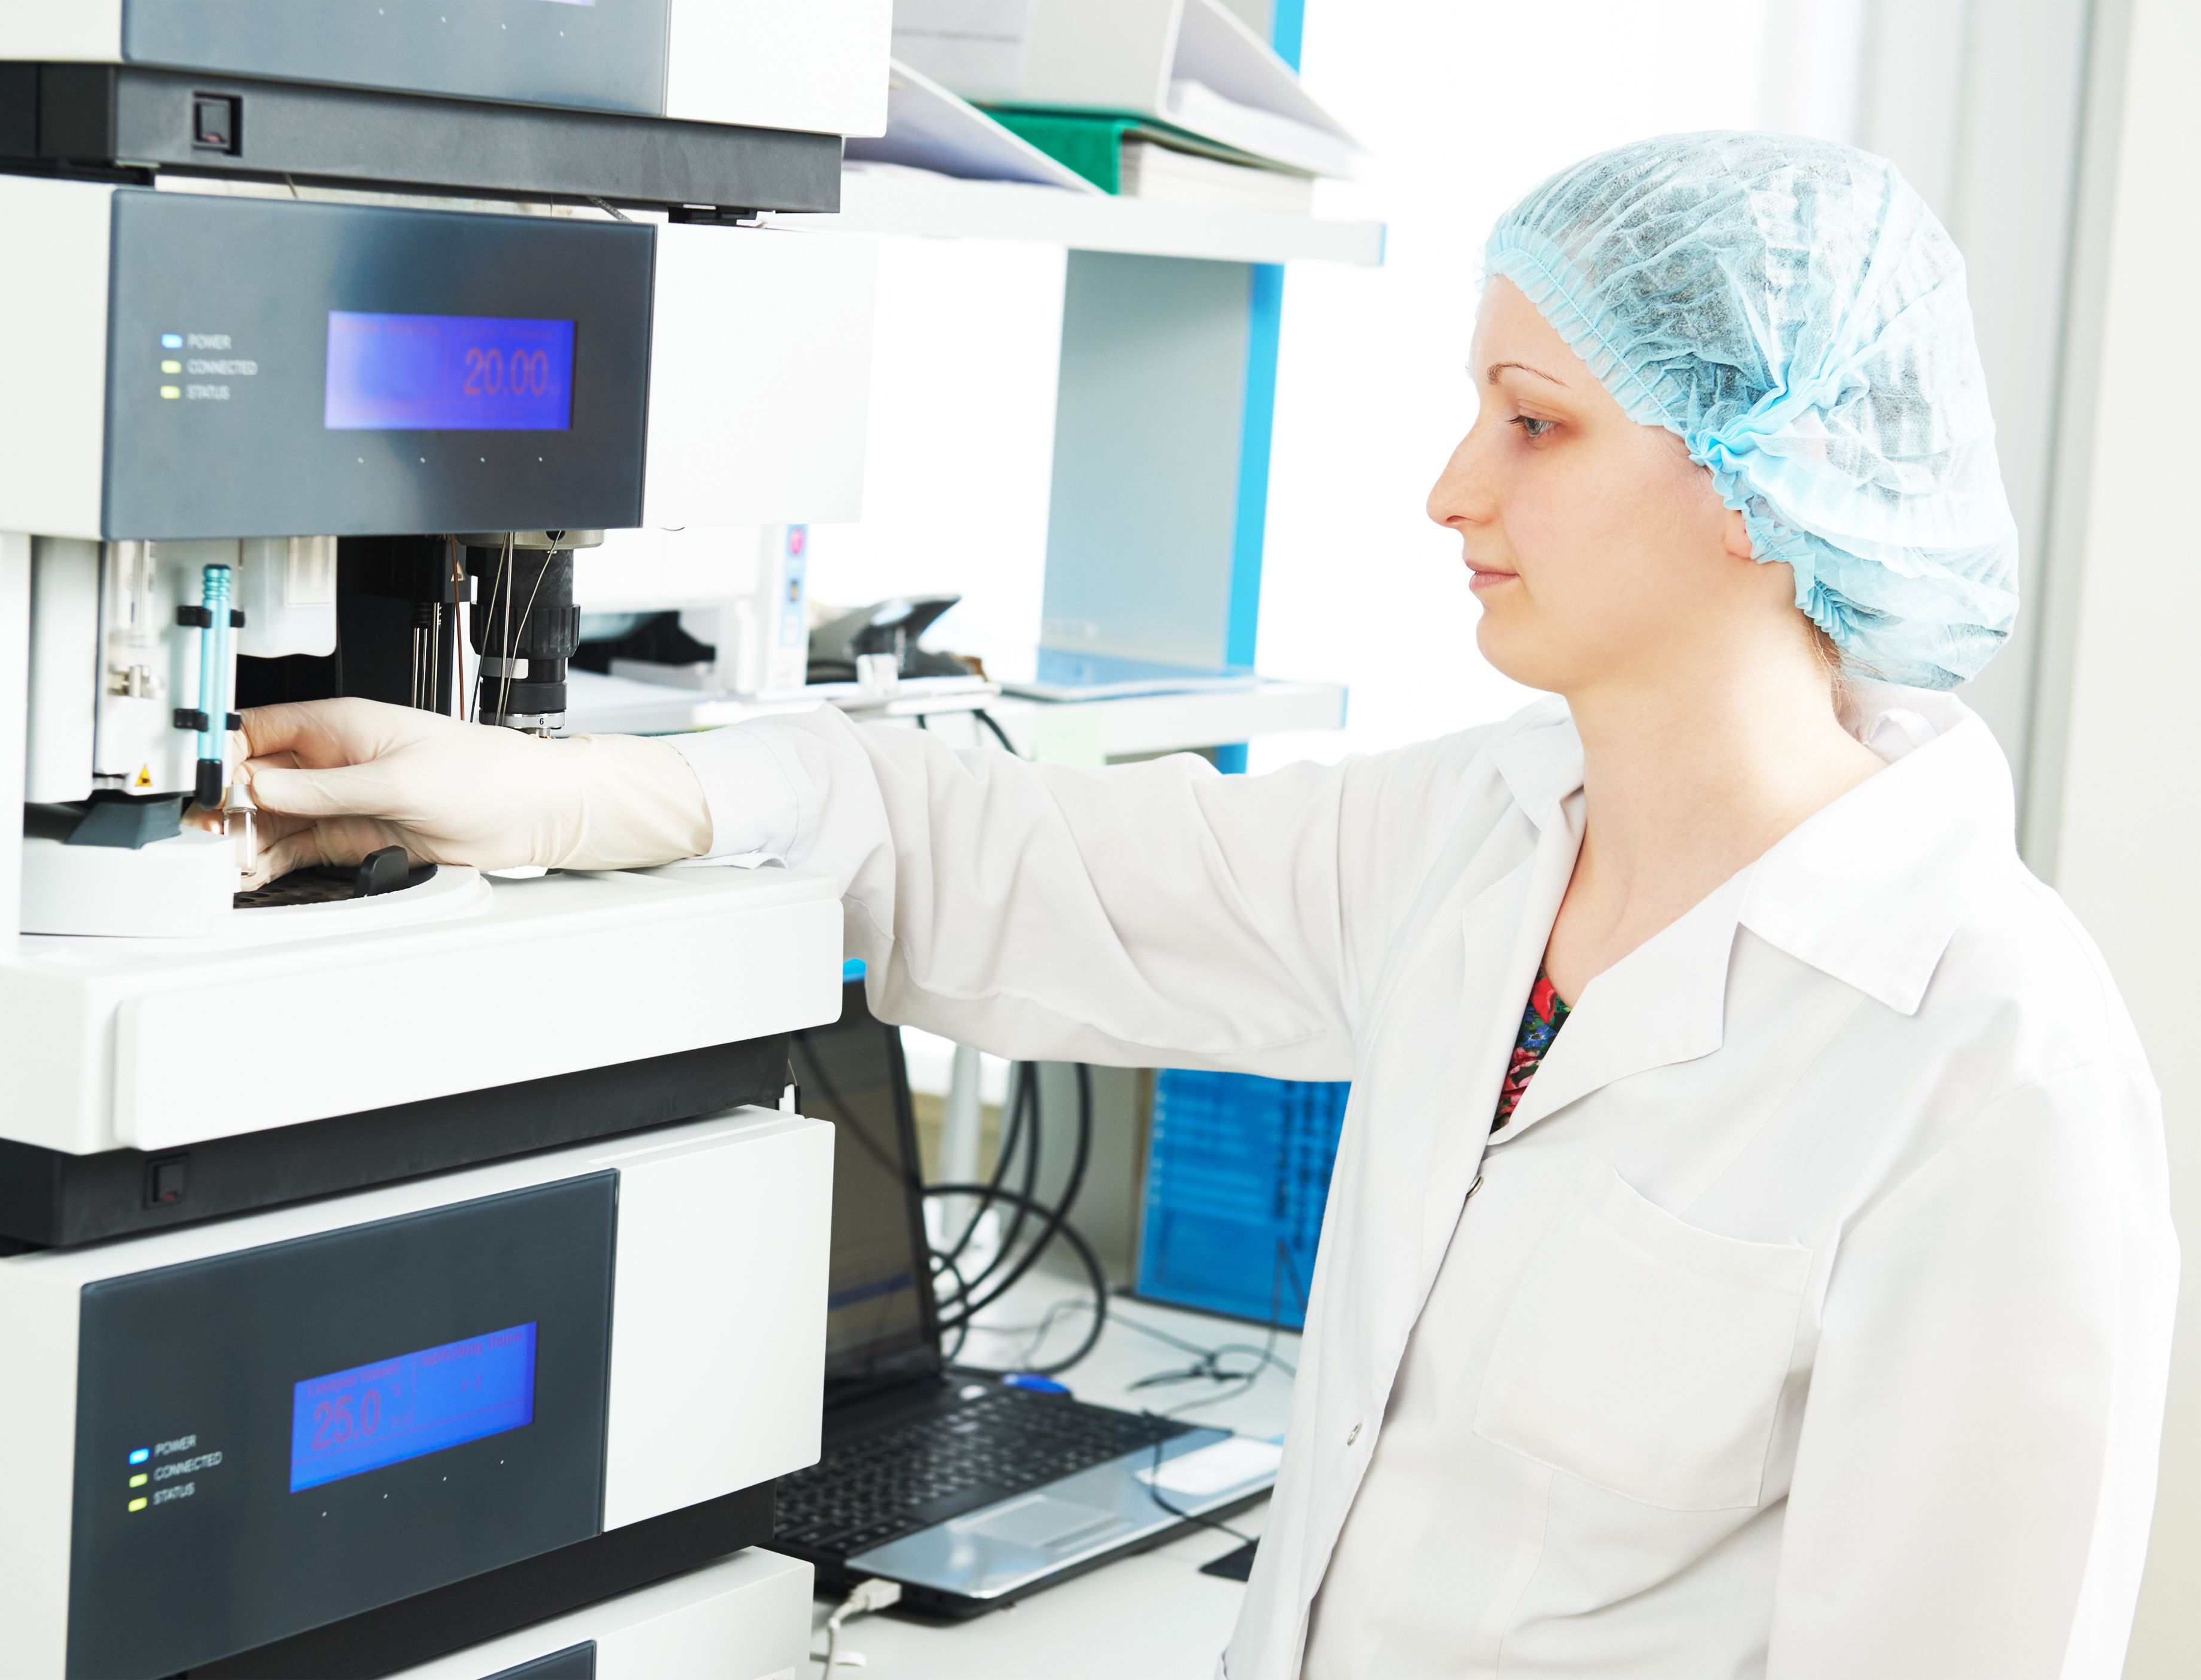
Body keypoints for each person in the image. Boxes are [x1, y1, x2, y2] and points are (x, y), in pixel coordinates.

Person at [234, 133, 2174, 1678]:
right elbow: (1015, 858)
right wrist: (573, 793)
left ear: (1763, 478)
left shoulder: (1989, 1057)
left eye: (1533, 420)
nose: (1450, 487)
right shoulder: (1483, 837)